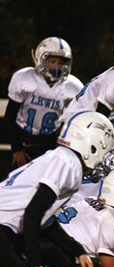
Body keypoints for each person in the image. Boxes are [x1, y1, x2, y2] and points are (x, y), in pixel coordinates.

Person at [0, 111, 114, 267]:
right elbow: (33, 213)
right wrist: (33, 262)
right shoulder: (67, 163)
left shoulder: (63, 159)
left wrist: (76, 250)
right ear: (90, 144)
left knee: (58, 259)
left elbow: (45, 220)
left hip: (8, 226)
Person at [3, 37, 83, 169]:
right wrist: (16, 148)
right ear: (41, 58)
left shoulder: (73, 87)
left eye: (61, 62)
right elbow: (10, 116)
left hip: (50, 142)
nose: (57, 66)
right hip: (23, 138)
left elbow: (74, 122)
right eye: (52, 61)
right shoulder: (25, 78)